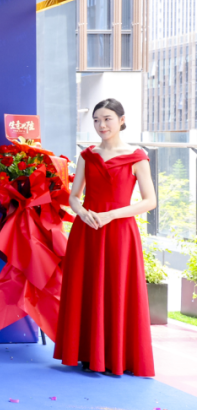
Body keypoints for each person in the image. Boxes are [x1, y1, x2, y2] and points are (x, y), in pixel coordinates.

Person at [54, 98, 157, 376]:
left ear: (121, 120)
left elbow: (150, 201)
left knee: (117, 289)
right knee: (86, 287)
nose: (102, 125)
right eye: (97, 120)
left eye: (108, 119)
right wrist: (82, 212)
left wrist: (112, 215)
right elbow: (74, 197)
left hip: (120, 232)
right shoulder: (87, 156)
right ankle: (87, 354)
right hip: (87, 230)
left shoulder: (137, 157)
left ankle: (116, 356)